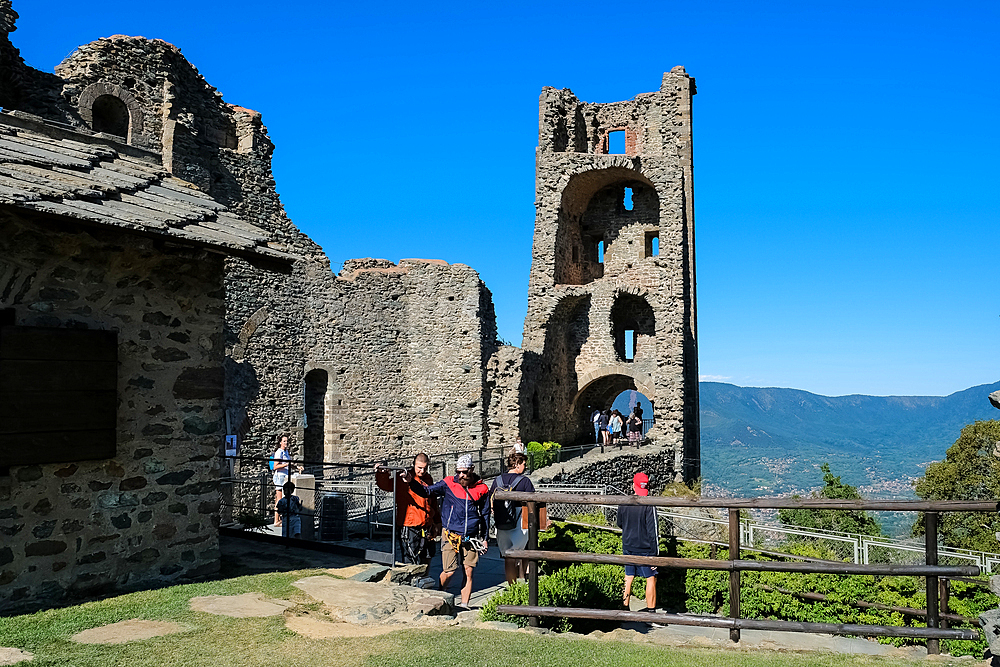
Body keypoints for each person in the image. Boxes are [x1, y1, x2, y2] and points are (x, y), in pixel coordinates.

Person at [409, 454, 489, 608]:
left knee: (469, 571)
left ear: (472, 469)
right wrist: (410, 482)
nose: (461, 475)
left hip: (471, 536)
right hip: (450, 533)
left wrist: (484, 537)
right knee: (449, 571)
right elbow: (426, 491)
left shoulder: (482, 488)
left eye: (464, 472)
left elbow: (485, 514)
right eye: (458, 471)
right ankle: (442, 592)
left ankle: (465, 605)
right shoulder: (448, 483)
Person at [490, 451, 547, 584]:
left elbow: (490, 499)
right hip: (519, 520)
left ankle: (512, 585)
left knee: (508, 556)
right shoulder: (524, 481)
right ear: (517, 464)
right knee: (520, 552)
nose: (525, 467)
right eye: (523, 464)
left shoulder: (497, 480)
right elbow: (532, 501)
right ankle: (522, 581)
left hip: (501, 520)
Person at [375, 453, 441, 565]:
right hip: (410, 525)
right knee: (410, 558)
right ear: (413, 465)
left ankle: (424, 579)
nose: (422, 471)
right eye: (419, 468)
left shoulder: (428, 478)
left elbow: (433, 501)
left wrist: (437, 522)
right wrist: (382, 474)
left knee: (427, 556)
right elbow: (386, 485)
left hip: (427, 524)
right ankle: (411, 581)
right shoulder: (403, 477)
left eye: (425, 468)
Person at [617, 472, 659, 615]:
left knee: (628, 577)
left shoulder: (624, 502)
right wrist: (655, 555)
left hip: (628, 544)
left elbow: (619, 523)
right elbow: (653, 532)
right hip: (646, 547)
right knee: (650, 578)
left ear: (633, 485)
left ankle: (624, 608)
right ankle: (651, 612)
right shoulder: (649, 504)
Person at [271, 433, 292, 526]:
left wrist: (297, 467)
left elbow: (288, 463)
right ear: (280, 442)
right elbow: (275, 466)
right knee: (279, 499)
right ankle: (276, 520)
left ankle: (279, 519)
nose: (286, 443)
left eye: (286, 441)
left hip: (285, 477)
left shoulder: (285, 452)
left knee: (280, 499)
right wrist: (285, 464)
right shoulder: (279, 452)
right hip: (280, 477)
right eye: (284, 441)